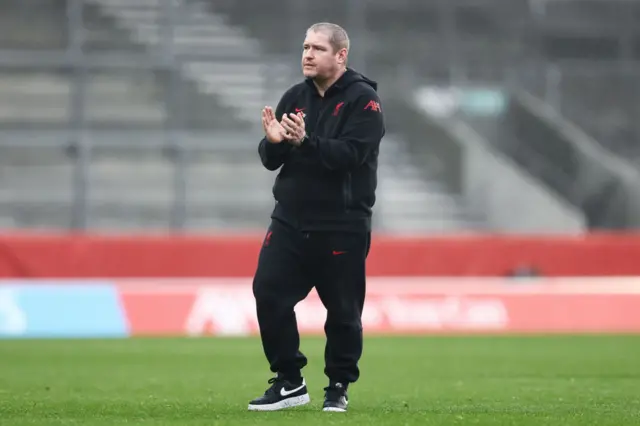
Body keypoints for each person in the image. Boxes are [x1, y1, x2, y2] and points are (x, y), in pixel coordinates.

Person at [247, 22, 385, 413]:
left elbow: (350, 156)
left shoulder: (364, 101)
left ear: (340, 56)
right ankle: (290, 380)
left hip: (341, 225)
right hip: (290, 221)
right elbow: (274, 158)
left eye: (317, 48)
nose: (307, 54)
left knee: (342, 312)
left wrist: (305, 142)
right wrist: (273, 143)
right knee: (268, 293)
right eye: (305, 47)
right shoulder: (296, 95)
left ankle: (337, 386)